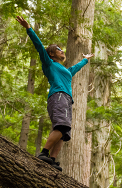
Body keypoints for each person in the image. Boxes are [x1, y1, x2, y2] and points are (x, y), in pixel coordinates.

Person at [16, 15, 93, 171]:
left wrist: (85, 60)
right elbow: (39, 46)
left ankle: (51, 160)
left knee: (64, 132)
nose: (62, 50)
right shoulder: (49, 63)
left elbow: (74, 69)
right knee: (62, 125)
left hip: (66, 100)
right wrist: (29, 29)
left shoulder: (65, 70)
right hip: (58, 96)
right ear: (51, 54)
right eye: (58, 49)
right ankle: (43, 152)